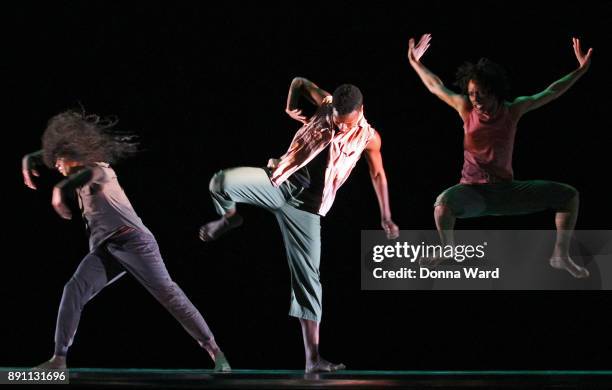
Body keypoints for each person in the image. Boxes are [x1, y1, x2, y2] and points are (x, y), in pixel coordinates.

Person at [199, 78, 400, 372]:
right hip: (278, 183)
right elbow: (299, 82)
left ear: (360, 111)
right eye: (336, 121)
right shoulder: (326, 103)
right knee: (220, 182)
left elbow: (379, 174)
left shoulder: (369, 138)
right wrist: (291, 105)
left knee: (309, 280)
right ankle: (230, 218)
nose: (339, 128)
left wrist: (386, 215)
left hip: (307, 210)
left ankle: (313, 359)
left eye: (346, 124)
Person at [22, 111, 231, 371]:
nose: (56, 168)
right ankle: (59, 360)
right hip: (107, 249)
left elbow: (82, 177)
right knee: (73, 289)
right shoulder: (75, 168)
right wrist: (28, 159)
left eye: (59, 162)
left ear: (71, 155)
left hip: (135, 242)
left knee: (169, 294)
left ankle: (215, 351)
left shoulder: (99, 170)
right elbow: (49, 157)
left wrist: (59, 190)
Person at [407, 34, 592, 278]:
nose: (477, 101)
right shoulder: (465, 109)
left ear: (494, 92)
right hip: (472, 192)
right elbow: (435, 86)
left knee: (569, 196)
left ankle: (561, 255)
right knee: (442, 205)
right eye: (473, 94)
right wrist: (414, 61)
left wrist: (580, 70)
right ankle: (447, 250)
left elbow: (551, 91)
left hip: (507, 192)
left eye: (482, 95)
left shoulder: (512, 110)